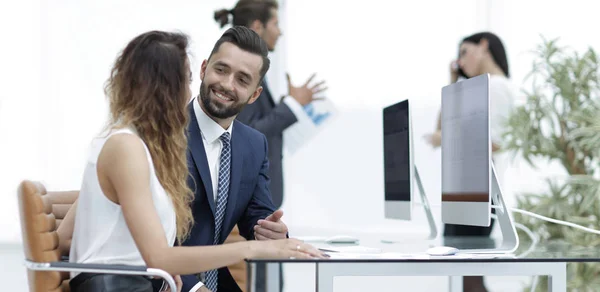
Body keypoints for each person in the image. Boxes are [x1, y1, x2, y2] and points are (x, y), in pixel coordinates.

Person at [60, 29, 325, 292]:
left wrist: (268, 236)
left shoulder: (135, 143)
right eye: (184, 80)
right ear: (163, 88)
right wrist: (251, 249)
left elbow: (69, 236)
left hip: (155, 280)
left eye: (242, 79)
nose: (189, 93)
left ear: (254, 93)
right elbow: (158, 256)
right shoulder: (131, 146)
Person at [424, 32, 516, 292]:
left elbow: (492, 141)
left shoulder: (496, 87)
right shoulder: (482, 88)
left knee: (471, 275)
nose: (460, 63)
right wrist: (453, 83)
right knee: (468, 274)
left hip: (480, 191)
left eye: (464, 52)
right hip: (470, 191)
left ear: (484, 45)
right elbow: (442, 130)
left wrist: (446, 136)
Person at [214, 0, 327, 209]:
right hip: (247, 206)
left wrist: (288, 103)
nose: (280, 32)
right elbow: (247, 132)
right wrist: (293, 104)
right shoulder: (241, 69)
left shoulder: (254, 68)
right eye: (275, 23)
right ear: (258, 26)